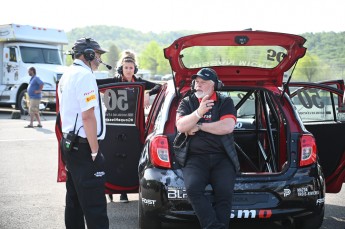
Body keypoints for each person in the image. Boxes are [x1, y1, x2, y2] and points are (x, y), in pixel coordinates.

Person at [175, 68, 240, 229]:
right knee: (193, 189)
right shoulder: (187, 102)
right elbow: (181, 126)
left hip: (222, 157)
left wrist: (199, 125)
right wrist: (199, 112)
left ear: (214, 86)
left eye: (202, 82)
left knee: (224, 193)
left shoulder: (225, 102)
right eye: (196, 82)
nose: (198, 85)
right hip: (195, 158)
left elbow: (227, 126)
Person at [58, 37, 109, 229]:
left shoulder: (68, 73)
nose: (99, 59)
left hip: (70, 143)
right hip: (84, 146)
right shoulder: (85, 76)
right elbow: (88, 117)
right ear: (88, 54)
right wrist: (95, 151)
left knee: (74, 200)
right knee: (94, 204)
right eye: (97, 54)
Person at [99, 50, 161, 203]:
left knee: (132, 157)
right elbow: (93, 84)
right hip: (114, 125)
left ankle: (125, 192)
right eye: (126, 67)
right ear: (121, 68)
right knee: (112, 156)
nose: (128, 70)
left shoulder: (139, 82)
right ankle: (111, 188)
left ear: (135, 69)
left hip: (133, 126)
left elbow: (160, 86)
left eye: (131, 68)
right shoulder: (114, 80)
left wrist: (148, 93)